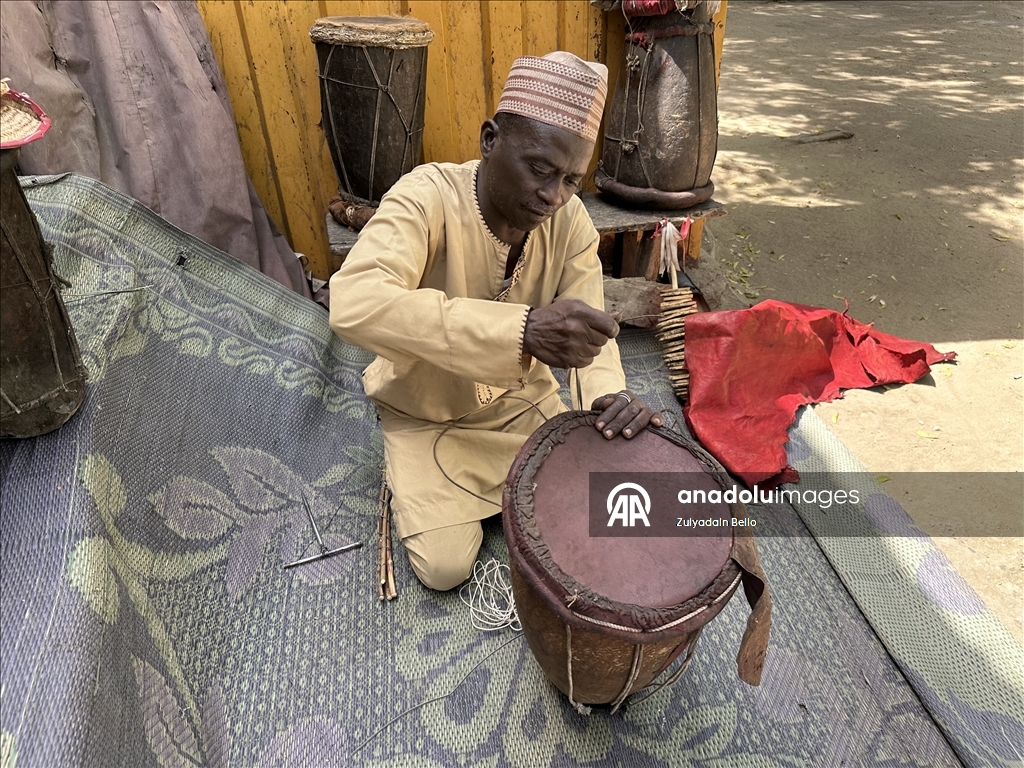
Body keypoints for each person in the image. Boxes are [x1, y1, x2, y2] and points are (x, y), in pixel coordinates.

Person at [329, 52, 662, 590]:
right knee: (445, 567)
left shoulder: (570, 220)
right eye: (539, 169)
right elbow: (353, 300)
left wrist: (604, 396)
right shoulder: (426, 195)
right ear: (490, 140)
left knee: (600, 512)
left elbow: (589, 327)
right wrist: (522, 330)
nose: (554, 196)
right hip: (425, 409)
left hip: (519, 403)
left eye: (572, 180)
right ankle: (408, 474)